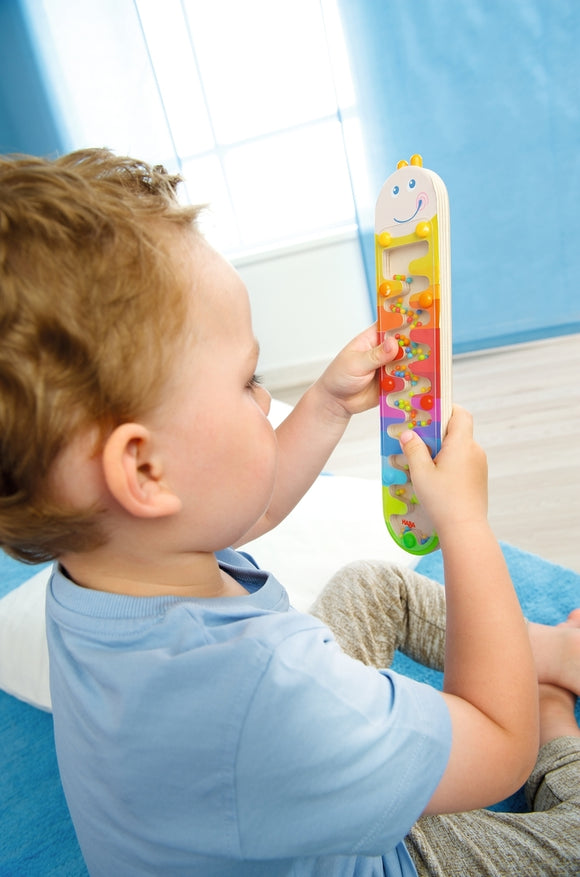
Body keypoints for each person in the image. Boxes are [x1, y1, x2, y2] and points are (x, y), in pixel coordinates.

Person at [0, 148, 577, 877]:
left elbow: (252, 503)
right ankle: (559, 713)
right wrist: (466, 524)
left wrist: (327, 403)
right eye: (250, 379)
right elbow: (496, 744)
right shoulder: (273, 692)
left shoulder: (102, 566)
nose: (265, 396)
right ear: (145, 468)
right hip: (372, 855)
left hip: (253, 790)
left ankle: (550, 653)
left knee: (374, 582)